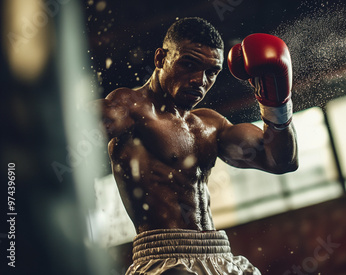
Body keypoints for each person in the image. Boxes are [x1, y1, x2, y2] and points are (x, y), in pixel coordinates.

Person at [96, 17, 298, 274]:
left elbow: (281, 161)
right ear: (160, 59)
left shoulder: (210, 124)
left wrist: (276, 104)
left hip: (220, 257)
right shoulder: (129, 108)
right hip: (164, 262)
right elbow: (64, 134)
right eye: (189, 65)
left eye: (211, 72)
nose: (199, 80)